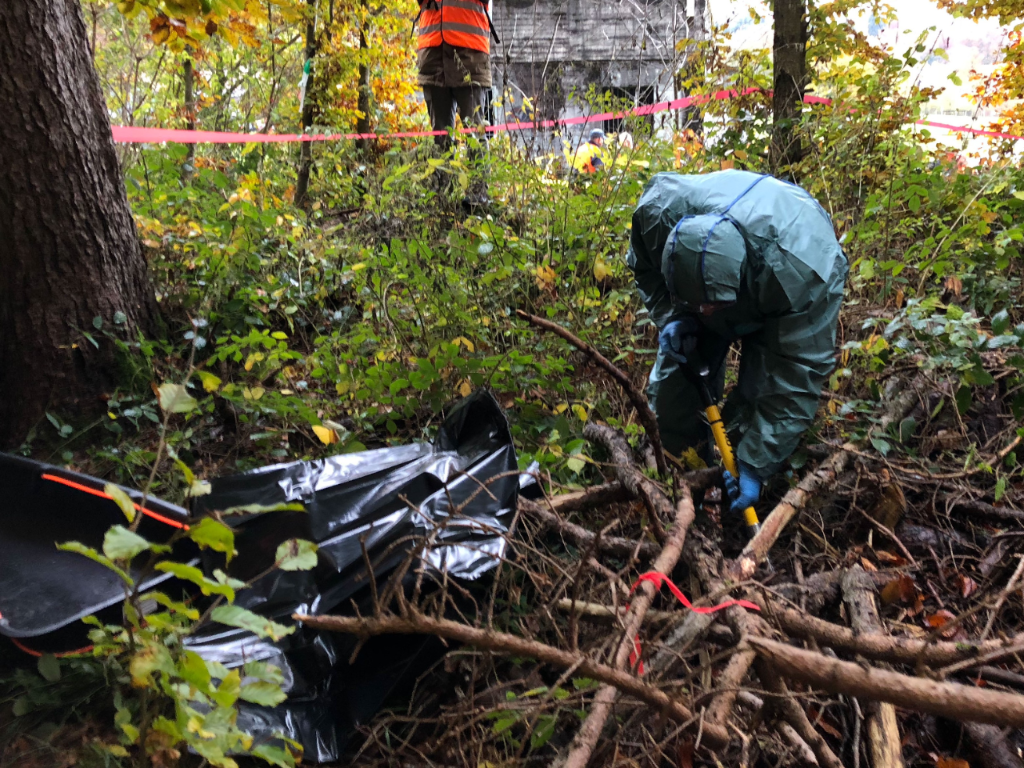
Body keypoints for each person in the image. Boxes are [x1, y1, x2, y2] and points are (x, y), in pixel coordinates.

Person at [626, 170, 847, 519]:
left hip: (787, 261)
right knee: (674, 394)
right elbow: (645, 270)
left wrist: (756, 462)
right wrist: (673, 316)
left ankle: (747, 489)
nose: (705, 314)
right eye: (698, 307)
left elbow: (795, 377)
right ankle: (683, 498)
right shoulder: (656, 217)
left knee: (759, 395)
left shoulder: (801, 277)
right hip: (718, 274)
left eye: (712, 307)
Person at [414, 0, 496, 205]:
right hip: (433, 55)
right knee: (440, 133)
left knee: (474, 131)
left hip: (469, 56)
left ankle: (479, 194)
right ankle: (443, 193)